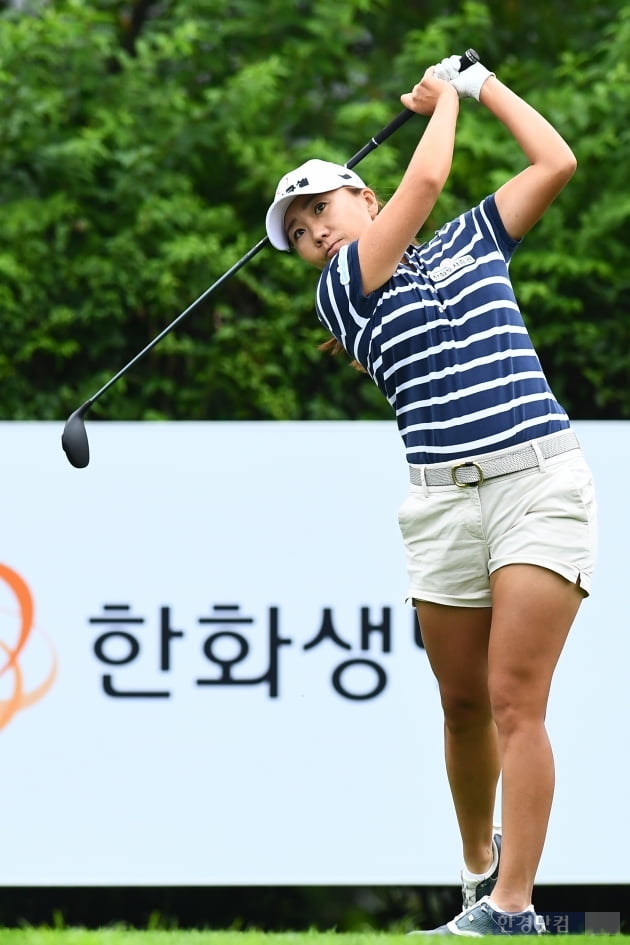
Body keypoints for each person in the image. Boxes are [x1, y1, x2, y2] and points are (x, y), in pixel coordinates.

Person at [265, 54, 597, 936]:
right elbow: (433, 171)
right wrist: (444, 96)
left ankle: (514, 907)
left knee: (515, 697)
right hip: (441, 504)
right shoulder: (344, 292)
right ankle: (479, 870)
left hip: (539, 480)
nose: (314, 234)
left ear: (362, 197)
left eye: (322, 210)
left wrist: (482, 86)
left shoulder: (470, 240)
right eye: (298, 232)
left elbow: (556, 162)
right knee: (460, 705)